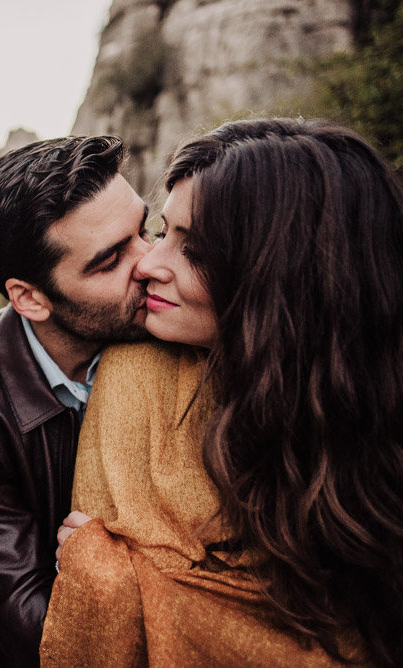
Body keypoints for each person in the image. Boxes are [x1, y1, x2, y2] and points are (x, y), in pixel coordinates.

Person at [41, 118, 403, 667]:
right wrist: (103, 572)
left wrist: (123, 573)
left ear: (287, 277)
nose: (149, 265)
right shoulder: (136, 375)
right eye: (165, 231)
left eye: (197, 249)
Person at [0, 135, 152, 667]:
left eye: (146, 230)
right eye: (111, 259)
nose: (153, 262)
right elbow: (24, 614)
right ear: (29, 298)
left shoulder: (172, 319)